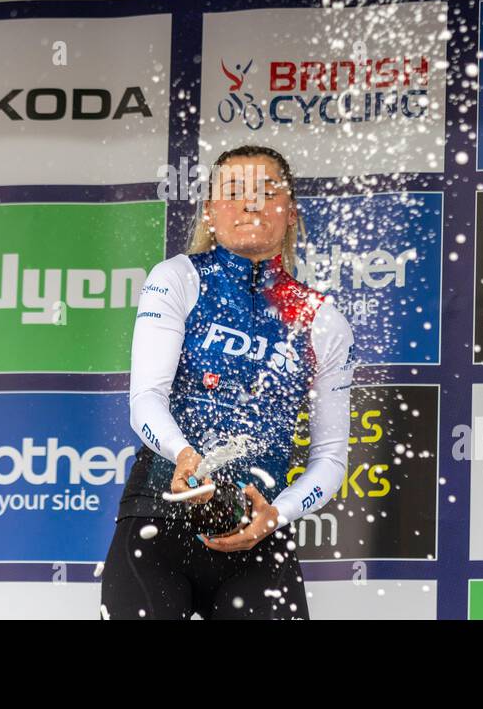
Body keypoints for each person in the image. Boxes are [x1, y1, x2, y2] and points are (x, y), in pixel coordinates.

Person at [100, 144, 356, 620]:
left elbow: (330, 461)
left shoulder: (323, 320)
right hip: (159, 515)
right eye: (234, 191)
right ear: (211, 212)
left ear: (291, 212)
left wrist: (275, 516)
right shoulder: (177, 278)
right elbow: (146, 400)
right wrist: (183, 454)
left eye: (267, 191)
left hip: (259, 533)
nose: (250, 202)